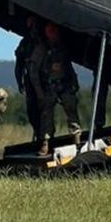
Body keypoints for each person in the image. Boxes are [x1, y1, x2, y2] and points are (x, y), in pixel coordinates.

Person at [36, 24, 82, 156]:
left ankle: (77, 142)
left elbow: (68, 66)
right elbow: (34, 72)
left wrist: (74, 81)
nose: (53, 34)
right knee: (47, 116)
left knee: (72, 113)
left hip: (65, 85)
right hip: (49, 87)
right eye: (51, 32)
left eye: (55, 32)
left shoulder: (63, 48)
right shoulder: (42, 49)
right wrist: (39, 91)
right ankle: (45, 143)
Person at [15, 16, 44, 141]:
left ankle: (44, 137)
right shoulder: (25, 43)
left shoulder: (44, 41)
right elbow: (19, 65)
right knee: (33, 110)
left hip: (44, 80)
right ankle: (38, 133)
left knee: (45, 110)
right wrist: (19, 82)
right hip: (31, 81)